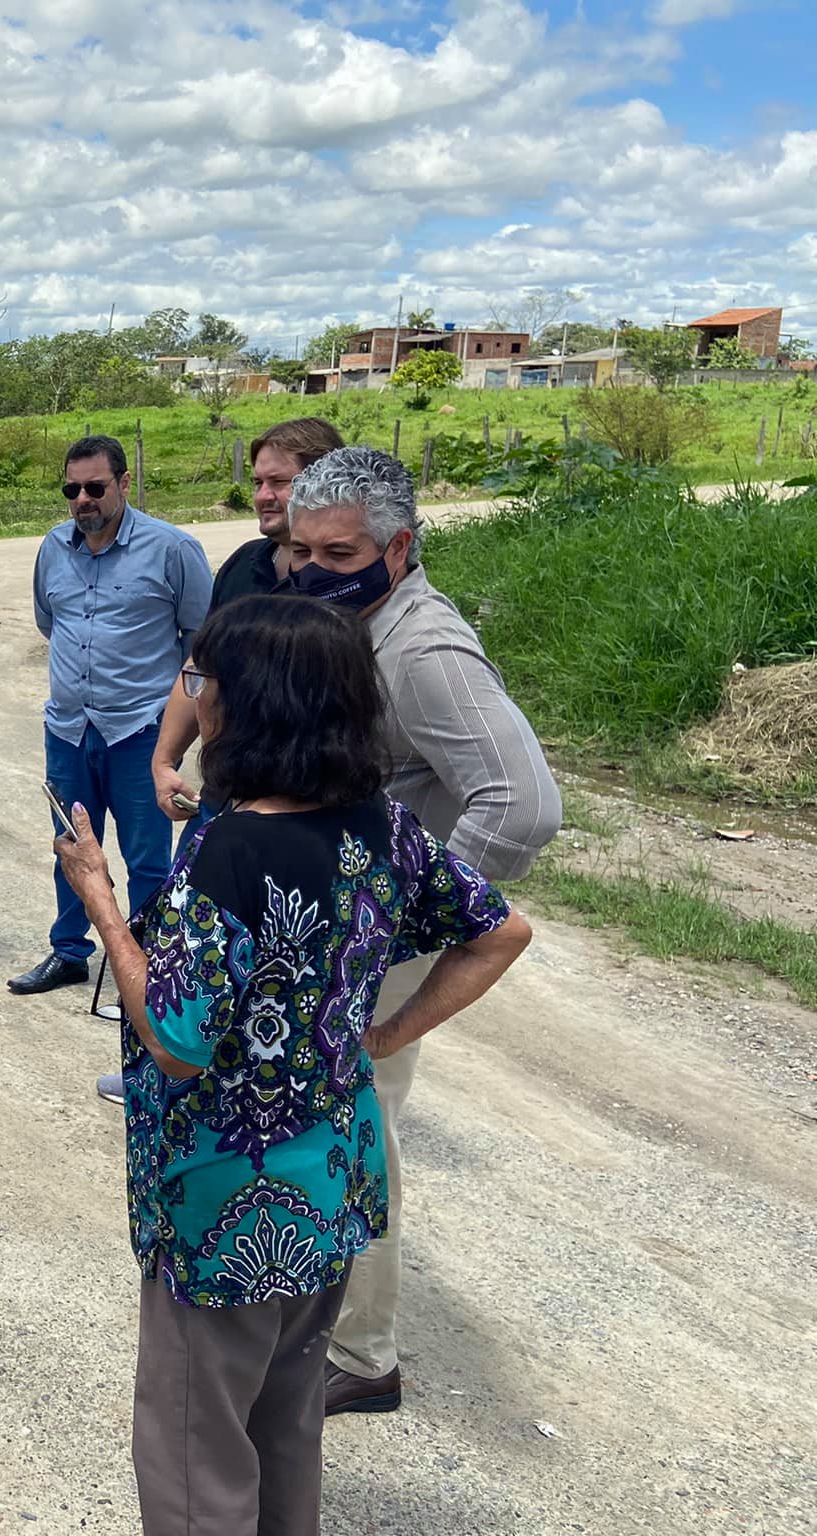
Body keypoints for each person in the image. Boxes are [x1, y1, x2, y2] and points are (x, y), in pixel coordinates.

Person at [55, 594, 532, 1536]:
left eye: (204, 682)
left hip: (221, 1207)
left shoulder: (229, 849)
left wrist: (99, 900)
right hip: (330, 1189)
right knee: (286, 1427)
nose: (197, 698)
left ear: (249, 705)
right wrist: (379, 1040)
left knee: (196, 1452)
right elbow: (499, 931)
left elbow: (176, 1041)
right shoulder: (380, 826)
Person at [285, 446, 563, 1416]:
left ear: (398, 546)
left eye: (338, 551)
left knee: (356, 1129)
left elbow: (521, 804)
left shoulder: (421, 650)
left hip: (382, 936)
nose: (317, 569)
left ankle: (361, 1357)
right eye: (303, 552)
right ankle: (329, 1310)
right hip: (347, 910)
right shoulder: (359, 619)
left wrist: (421, 912)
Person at [10, 435, 212, 997]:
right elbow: (51, 622)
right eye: (72, 489)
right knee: (73, 846)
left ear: (124, 484)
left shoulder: (173, 549)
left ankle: (149, 967)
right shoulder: (53, 547)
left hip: (139, 731)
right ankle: (70, 951)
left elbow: (202, 641)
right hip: (69, 729)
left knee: (147, 856)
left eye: (95, 487)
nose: (82, 499)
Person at [150, 417, 345, 826]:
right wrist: (165, 760)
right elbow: (201, 668)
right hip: (223, 798)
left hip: (306, 812)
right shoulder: (243, 564)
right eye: (258, 483)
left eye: (278, 482)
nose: (263, 496)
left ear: (326, 483)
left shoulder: (344, 583)